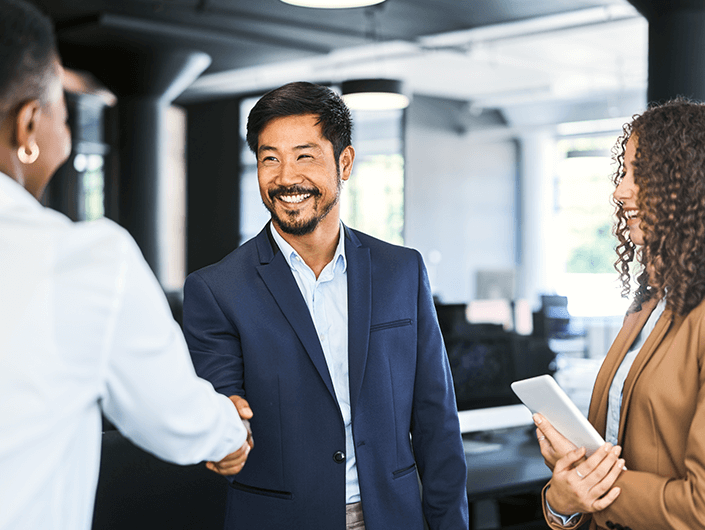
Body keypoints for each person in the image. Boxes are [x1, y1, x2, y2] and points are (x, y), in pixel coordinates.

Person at [0, 1, 252, 528]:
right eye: (63, 118)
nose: (64, 141)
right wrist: (229, 429)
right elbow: (176, 418)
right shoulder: (80, 263)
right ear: (28, 125)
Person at [182, 81, 469, 530]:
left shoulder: (402, 272)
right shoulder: (216, 289)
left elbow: (437, 424)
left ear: (345, 162)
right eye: (269, 158)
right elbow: (222, 399)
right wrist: (225, 427)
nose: (285, 177)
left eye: (304, 155)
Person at [535, 98, 705, 530]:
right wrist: (563, 498)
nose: (620, 190)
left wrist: (592, 493)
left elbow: (700, 507)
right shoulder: (648, 304)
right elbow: (607, 450)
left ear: (688, 184)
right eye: (623, 171)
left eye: (639, 173)